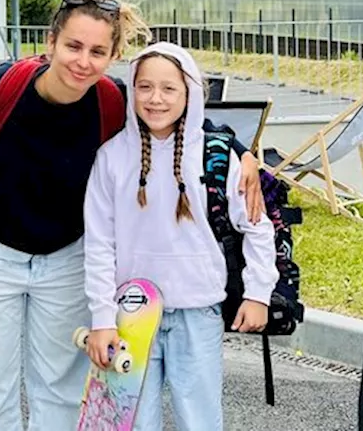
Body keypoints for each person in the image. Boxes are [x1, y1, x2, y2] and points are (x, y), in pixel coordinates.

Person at [0, 0, 264, 430]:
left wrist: (241, 151)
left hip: (68, 257)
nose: (83, 62)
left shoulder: (113, 102)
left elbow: (175, 119)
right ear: (50, 42)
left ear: (114, 56)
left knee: (60, 391)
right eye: (73, 46)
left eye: (97, 52)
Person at [82, 42, 278, 431]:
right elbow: (99, 244)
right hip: (130, 316)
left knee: (199, 420)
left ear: (189, 93)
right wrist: (102, 318)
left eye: (169, 89)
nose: (156, 99)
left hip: (197, 311)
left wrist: (258, 294)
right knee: (135, 421)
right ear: (132, 90)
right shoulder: (111, 157)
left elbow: (256, 225)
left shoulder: (217, 157)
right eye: (145, 87)